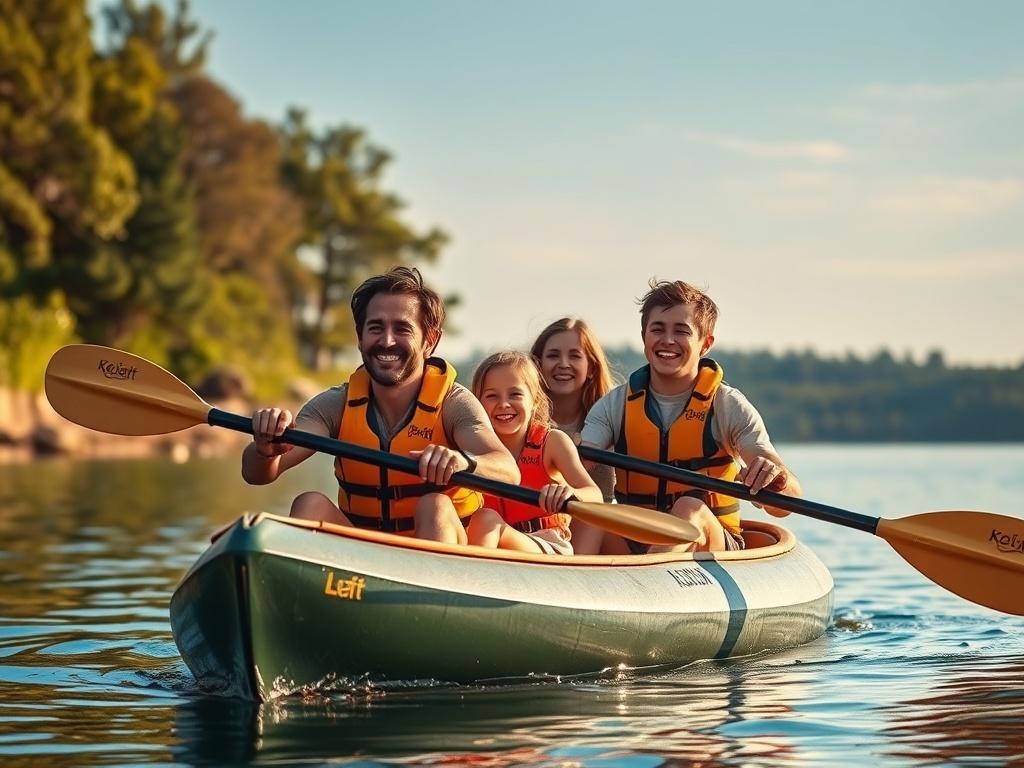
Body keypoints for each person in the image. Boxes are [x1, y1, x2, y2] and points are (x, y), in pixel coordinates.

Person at [241, 266, 520, 544]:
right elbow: (256, 474)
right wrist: (266, 449)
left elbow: (508, 471)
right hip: (365, 553)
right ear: (360, 337)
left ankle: (429, 572)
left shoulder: (453, 404)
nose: (387, 341)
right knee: (308, 504)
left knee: (434, 505)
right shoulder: (335, 405)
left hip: (441, 550)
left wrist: (461, 461)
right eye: (376, 328)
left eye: (402, 329)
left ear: (429, 341)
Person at [578, 279, 802, 555]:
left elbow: (784, 506)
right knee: (589, 511)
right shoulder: (613, 406)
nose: (667, 340)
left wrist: (777, 480)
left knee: (688, 507)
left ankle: (654, 573)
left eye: (681, 331)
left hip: (713, 541)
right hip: (635, 534)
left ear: (705, 344)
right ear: (644, 337)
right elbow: (578, 466)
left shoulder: (728, 405)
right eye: (657, 329)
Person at [467, 351, 601, 555]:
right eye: (492, 396)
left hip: (546, 543)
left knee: (486, 519)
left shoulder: (553, 442)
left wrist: (571, 494)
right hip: (490, 541)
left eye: (515, 394)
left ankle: (472, 573)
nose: (504, 404)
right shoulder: (469, 445)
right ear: (477, 404)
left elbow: (595, 495)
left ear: (535, 401)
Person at [530, 317, 617, 553]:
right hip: (535, 529)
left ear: (592, 368)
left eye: (575, 356)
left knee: (595, 515)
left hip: (593, 528)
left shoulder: (612, 418)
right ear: (537, 366)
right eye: (553, 356)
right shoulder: (521, 422)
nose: (563, 364)